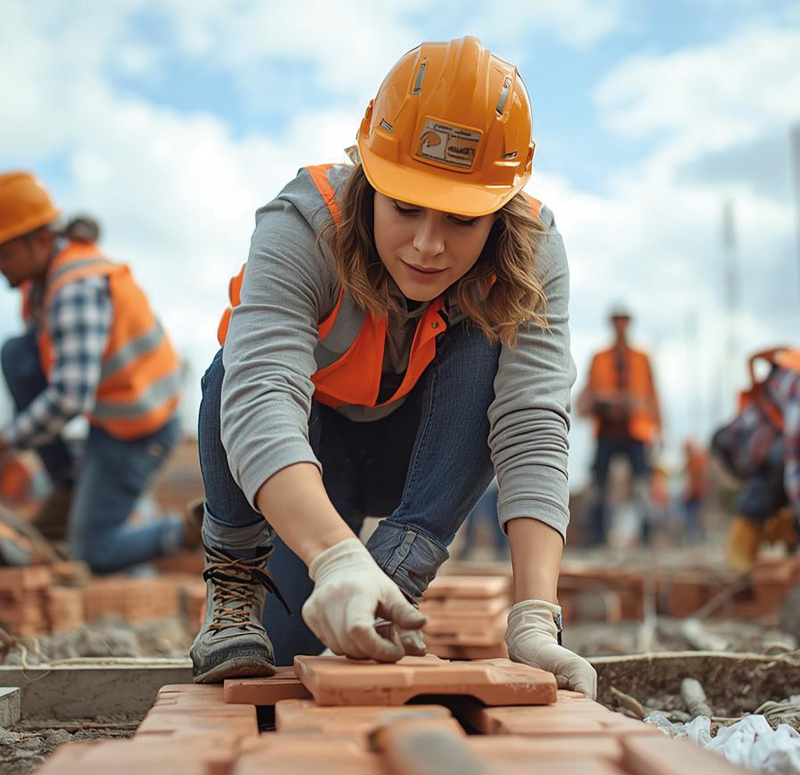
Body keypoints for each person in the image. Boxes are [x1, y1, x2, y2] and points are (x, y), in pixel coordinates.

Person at [191, 36, 596, 699]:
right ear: (370, 178)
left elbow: (532, 422)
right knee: (229, 368)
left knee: (490, 339)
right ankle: (237, 571)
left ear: (497, 208)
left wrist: (533, 618)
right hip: (310, 451)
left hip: (422, 455)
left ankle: (397, 570)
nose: (428, 246)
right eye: (405, 206)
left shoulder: (531, 249)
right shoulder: (305, 221)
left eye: (463, 218)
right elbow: (261, 389)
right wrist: (334, 556)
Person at [0, 171, 198, 572]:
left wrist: (7, 445)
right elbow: (42, 363)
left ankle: (197, 528)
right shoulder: (40, 282)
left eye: (4, 252)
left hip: (140, 429)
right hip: (111, 416)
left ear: (40, 240)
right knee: (17, 354)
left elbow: (71, 395)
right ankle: (68, 481)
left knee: (93, 551)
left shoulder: (76, 288)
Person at [576, 306, 661, 547]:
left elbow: (653, 395)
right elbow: (589, 390)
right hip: (606, 430)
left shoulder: (642, 358)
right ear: (612, 324)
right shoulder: (599, 358)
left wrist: (659, 429)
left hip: (636, 431)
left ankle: (646, 539)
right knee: (599, 486)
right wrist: (603, 402)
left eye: (624, 320)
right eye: (617, 320)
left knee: (642, 485)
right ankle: (596, 539)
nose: (620, 325)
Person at [712, 347, 800, 571]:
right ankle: (748, 525)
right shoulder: (796, 390)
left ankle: (786, 524)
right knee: (779, 459)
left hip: (775, 441)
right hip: (745, 443)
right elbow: (794, 464)